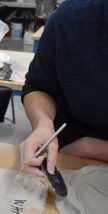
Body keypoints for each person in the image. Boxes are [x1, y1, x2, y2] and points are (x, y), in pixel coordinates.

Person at [20, 0, 108, 177]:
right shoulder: (70, 20)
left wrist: (91, 147)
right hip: (67, 152)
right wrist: (42, 122)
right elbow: (38, 87)